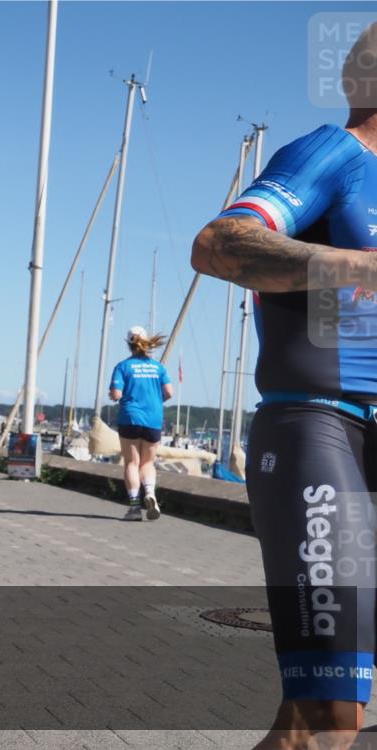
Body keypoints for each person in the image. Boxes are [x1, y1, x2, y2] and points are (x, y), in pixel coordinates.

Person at [191, 24, 377, 749]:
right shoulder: (335, 154)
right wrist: (358, 268)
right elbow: (218, 244)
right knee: (328, 719)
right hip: (321, 431)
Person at [108, 326, 172, 521]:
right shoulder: (159, 367)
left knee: (131, 463)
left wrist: (113, 395)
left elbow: (117, 393)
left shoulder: (122, 366)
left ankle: (135, 508)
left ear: (129, 344)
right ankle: (150, 493)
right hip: (153, 418)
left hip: (130, 418)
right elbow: (169, 393)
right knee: (148, 463)